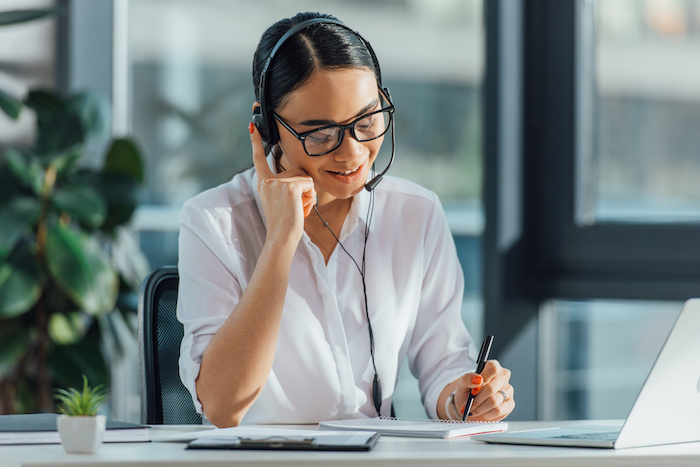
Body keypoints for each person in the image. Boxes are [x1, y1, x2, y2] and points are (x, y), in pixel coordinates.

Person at [177, 11, 514, 428]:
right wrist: (281, 240)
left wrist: (463, 398)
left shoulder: (416, 213)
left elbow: (443, 362)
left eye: (367, 122)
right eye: (320, 134)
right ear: (265, 127)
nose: (352, 153)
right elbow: (222, 406)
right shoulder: (214, 222)